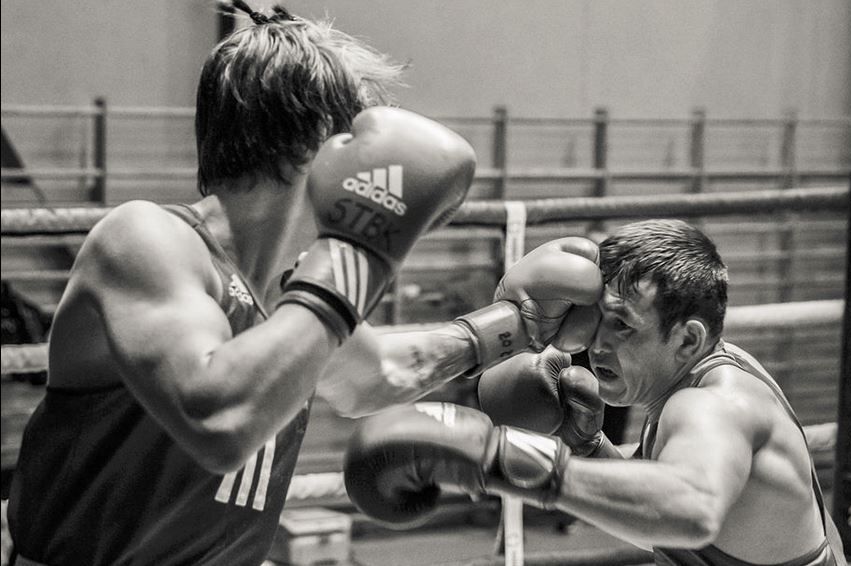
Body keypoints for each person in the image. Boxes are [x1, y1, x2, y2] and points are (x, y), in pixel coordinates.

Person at [5, 3, 606, 565]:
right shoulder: (148, 240)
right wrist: (359, 249)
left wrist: (516, 324)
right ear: (319, 140)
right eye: (361, 138)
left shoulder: (291, 290)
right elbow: (219, 420)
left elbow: (376, 375)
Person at [344, 219, 847, 565]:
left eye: (623, 325)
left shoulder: (713, 406)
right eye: (596, 320)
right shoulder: (707, 373)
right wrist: (587, 447)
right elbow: (658, 521)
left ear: (687, 339)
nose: (598, 345)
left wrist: (500, 460)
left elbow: (692, 509)